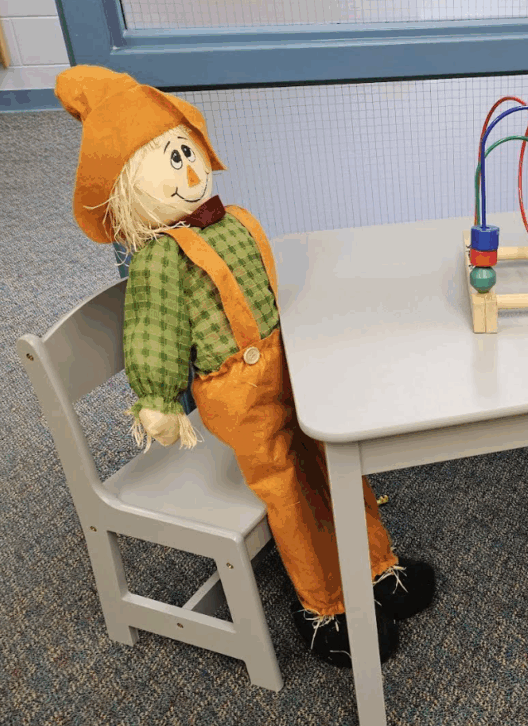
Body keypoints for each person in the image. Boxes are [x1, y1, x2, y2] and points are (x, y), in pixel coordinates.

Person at [54, 65, 435, 666]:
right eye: (167, 159)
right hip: (237, 390)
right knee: (286, 486)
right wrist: (155, 399)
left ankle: (376, 566)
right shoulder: (158, 264)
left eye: (185, 150)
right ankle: (327, 606)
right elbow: (152, 333)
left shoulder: (227, 221)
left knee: (334, 456)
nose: (186, 168)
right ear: (128, 185)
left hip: (288, 364)